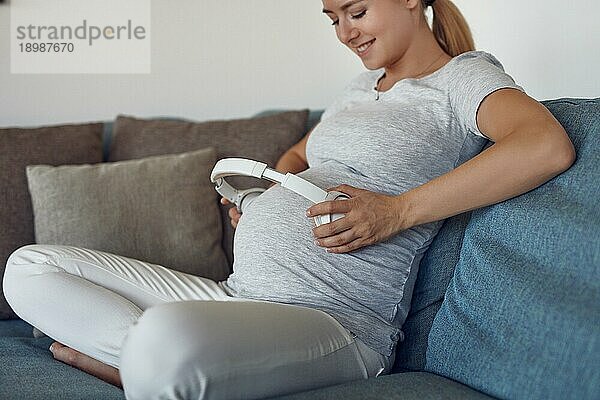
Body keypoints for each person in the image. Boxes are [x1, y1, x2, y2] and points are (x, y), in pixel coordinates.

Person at [3, 0, 575, 399]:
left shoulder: (462, 79)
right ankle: (152, 367)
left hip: (334, 322)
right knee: (30, 267)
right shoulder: (358, 90)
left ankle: (137, 363)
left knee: (164, 333)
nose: (345, 33)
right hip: (234, 297)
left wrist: (396, 211)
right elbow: (303, 154)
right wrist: (266, 192)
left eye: (356, 11)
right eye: (333, 19)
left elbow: (545, 145)